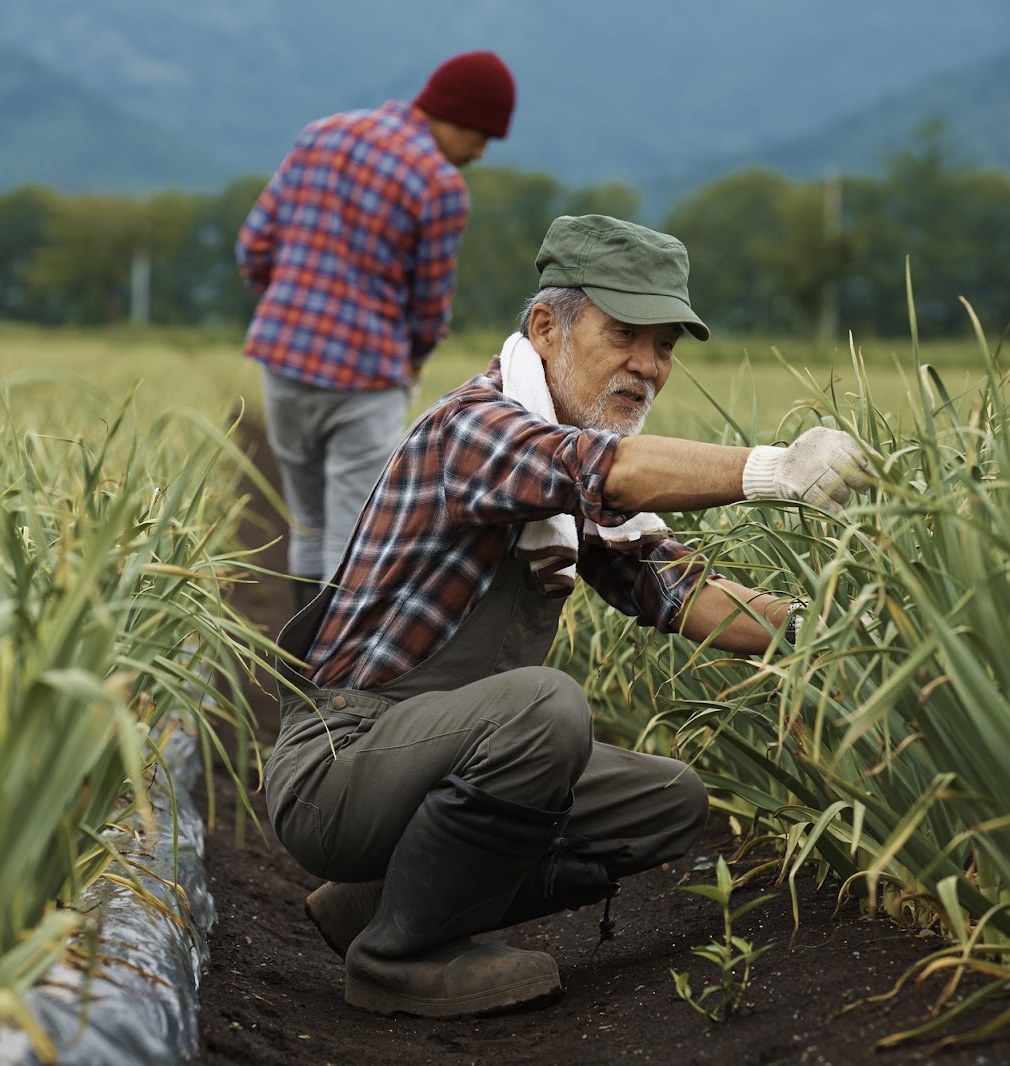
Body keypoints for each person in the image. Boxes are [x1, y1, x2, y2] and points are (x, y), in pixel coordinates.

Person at [262, 214, 873, 1019]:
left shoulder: (572, 461)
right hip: (340, 764)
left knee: (669, 805)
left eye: (666, 347)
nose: (648, 367)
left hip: (434, 757)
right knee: (546, 707)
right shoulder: (473, 429)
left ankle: (384, 906)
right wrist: (775, 470)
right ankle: (400, 957)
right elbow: (593, 472)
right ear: (547, 327)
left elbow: (678, 590)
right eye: (626, 334)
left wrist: (837, 627)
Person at [236, 50, 517, 603]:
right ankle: (321, 681)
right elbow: (429, 305)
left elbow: (254, 247)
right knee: (354, 533)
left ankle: (290, 671)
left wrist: (293, 306)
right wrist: (413, 361)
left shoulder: (321, 135)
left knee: (309, 522)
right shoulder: (439, 184)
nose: (480, 154)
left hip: (284, 363)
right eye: (482, 137)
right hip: (366, 376)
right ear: (457, 119)